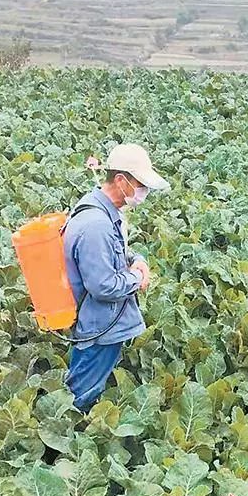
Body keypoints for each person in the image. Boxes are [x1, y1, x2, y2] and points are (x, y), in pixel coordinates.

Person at [62, 143, 169, 413]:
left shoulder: (101, 211)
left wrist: (137, 260)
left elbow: (115, 252)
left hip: (102, 323)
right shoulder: (95, 225)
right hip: (98, 327)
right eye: (140, 184)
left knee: (85, 385)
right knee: (80, 397)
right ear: (121, 180)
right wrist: (136, 279)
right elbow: (103, 286)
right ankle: (68, 440)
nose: (143, 192)